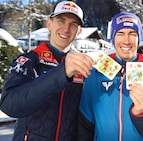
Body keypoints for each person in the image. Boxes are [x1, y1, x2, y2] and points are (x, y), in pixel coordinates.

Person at [0, 1, 94, 141]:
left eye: (73, 24)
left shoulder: (82, 67)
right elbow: (9, 105)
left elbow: (85, 117)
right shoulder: (29, 61)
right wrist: (62, 73)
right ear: (49, 24)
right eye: (61, 21)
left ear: (79, 31)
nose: (66, 29)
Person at [77, 12, 143, 141]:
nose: (126, 41)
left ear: (139, 38)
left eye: (132, 34)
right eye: (120, 34)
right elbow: (85, 127)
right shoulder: (94, 76)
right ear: (112, 38)